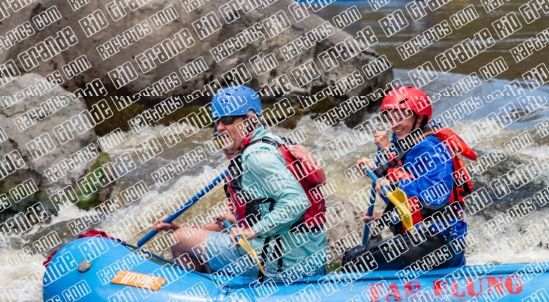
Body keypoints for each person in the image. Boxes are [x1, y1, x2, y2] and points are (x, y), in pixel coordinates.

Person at [152, 86, 328, 279]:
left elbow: (296, 202)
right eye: (217, 121)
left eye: (227, 120)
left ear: (251, 119)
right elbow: (265, 212)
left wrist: (251, 231)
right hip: (305, 260)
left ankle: (205, 299)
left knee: (180, 240)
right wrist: (181, 226)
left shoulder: (255, 156)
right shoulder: (273, 142)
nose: (219, 128)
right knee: (185, 232)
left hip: (282, 265)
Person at [343, 87, 477, 272]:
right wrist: (384, 213)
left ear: (419, 118)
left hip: (437, 241)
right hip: (427, 240)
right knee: (359, 252)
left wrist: (393, 183)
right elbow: (410, 199)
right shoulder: (412, 145)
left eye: (400, 117)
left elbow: (436, 195)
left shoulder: (430, 148)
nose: (394, 124)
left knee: (355, 260)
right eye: (390, 118)